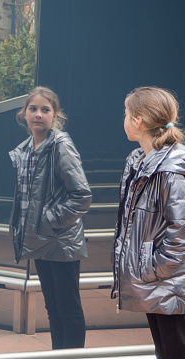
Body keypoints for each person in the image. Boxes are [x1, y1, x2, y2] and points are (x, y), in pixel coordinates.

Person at [9, 86, 92, 349]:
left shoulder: (61, 145)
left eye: (46, 109)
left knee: (67, 308)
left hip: (59, 239)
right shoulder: (25, 150)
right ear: (24, 114)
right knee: (53, 307)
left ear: (55, 116)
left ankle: (73, 356)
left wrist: (49, 221)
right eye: (33, 108)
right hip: (39, 239)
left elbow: (81, 194)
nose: (38, 114)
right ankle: (59, 355)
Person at [112, 86, 185, 359]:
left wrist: (154, 269)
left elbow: (181, 232)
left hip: (170, 283)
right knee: (164, 351)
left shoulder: (173, 166)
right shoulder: (139, 161)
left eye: (127, 113)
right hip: (155, 281)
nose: (125, 119)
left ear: (138, 121)